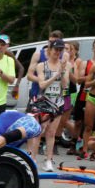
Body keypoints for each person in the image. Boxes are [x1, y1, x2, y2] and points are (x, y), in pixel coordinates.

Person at [28, 39, 69, 171]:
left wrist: (62, 73)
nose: (58, 52)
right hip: (43, 102)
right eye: (56, 49)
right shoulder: (41, 66)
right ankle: (33, 159)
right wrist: (55, 75)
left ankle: (49, 160)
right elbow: (42, 85)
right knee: (39, 131)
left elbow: (65, 85)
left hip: (57, 101)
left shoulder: (64, 65)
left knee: (51, 133)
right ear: (50, 50)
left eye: (60, 50)